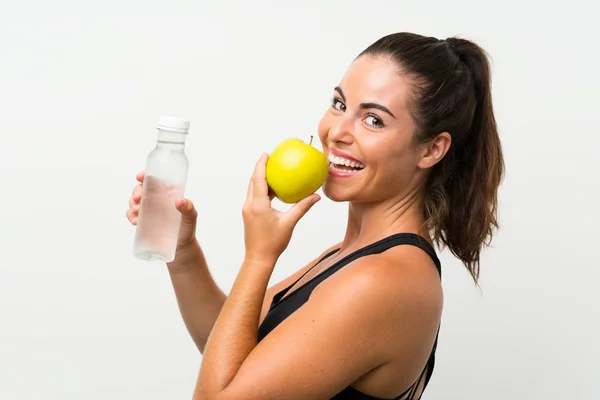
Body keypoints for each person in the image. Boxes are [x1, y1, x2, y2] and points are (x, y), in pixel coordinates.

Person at [126, 31, 504, 400]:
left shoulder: (384, 280)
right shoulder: (349, 257)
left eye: (373, 120)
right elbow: (226, 351)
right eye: (339, 104)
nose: (336, 131)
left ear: (431, 149)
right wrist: (184, 251)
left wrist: (260, 257)